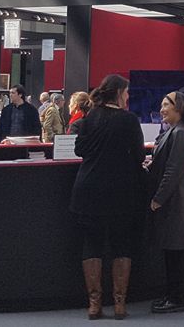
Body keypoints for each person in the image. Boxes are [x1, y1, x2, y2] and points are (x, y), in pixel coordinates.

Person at [71, 74, 145, 319]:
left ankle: (94, 303)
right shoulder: (129, 120)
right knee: (121, 243)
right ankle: (120, 302)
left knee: (91, 244)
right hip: (121, 191)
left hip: (89, 189)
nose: (128, 97)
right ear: (118, 93)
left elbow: (79, 149)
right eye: (126, 92)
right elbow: (137, 156)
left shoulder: (90, 118)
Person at [147, 91, 184, 314]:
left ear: (178, 108)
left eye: (166, 105)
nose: (162, 109)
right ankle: (172, 295)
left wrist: (158, 199)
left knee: (175, 252)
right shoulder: (174, 131)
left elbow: (173, 171)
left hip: (175, 201)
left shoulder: (180, 133)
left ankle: (176, 299)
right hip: (172, 201)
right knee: (171, 251)